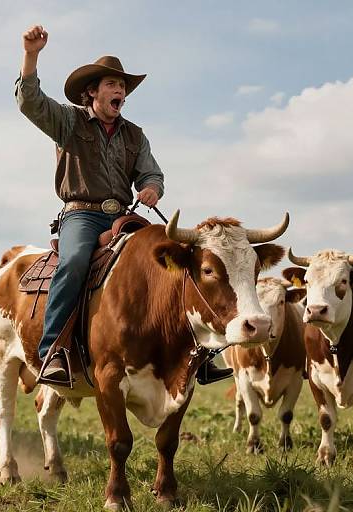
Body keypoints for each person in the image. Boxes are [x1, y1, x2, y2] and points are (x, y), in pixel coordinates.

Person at [16, 25, 232, 386]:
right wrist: (31, 55)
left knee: (173, 259)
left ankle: (200, 352)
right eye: (113, 85)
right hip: (81, 214)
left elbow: (152, 173)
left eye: (123, 87)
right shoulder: (68, 121)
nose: (121, 92)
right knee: (73, 262)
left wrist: (150, 188)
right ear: (92, 92)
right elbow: (30, 102)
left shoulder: (135, 134)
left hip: (124, 215)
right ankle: (52, 351)